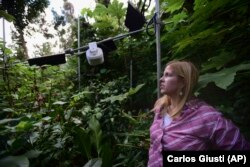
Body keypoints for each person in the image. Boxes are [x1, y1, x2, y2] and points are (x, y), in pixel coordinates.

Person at [147, 60, 250, 167]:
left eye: (168, 75)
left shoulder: (207, 116)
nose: (161, 80)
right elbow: (154, 148)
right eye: (163, 75)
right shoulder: (160, 109)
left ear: (183, 82)